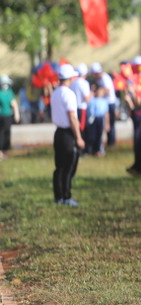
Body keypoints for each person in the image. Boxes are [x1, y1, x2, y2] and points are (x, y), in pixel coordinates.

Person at [51, 64, 84, 206]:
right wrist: (79, 137)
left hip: (58, 133)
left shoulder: (55, 93)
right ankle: (66, 196)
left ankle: (58, 196)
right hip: (67, 134)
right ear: (71, 78)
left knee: (59, 167)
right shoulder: (69, 94)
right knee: (68, 167)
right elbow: (72, 117)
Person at [0, 74, 20, 160]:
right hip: (1, 116)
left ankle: (5, 150)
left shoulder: (9, 92)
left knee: (7, 133)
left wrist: (16, 114)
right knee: (1, 133)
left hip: (8, 115)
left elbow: (13, 103)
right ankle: (0, 151)